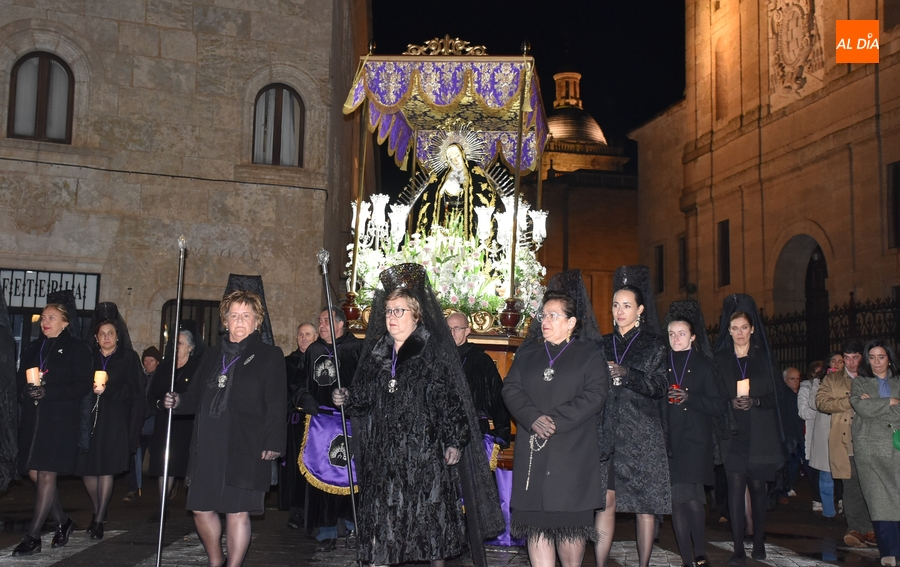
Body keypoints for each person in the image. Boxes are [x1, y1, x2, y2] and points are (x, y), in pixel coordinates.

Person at [332, 263, 503, 567]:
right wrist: (347, 397)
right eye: (388, 312)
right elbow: (367, 396)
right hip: (386, 455)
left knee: (430, 527)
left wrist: (453, 439)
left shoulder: (432, 352)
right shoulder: (378, 353)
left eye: (399, 311)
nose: (391, 318)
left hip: (426, 455)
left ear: (416, 314)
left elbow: (450, 399)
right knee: (387, 524)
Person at [164, 290, 286, 567]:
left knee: (237, 511)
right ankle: (216, 559)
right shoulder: (211, 355)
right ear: (225, 321)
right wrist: (178, 400)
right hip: (209, 442)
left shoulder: (269, 355)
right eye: (234, 315)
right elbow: (195, 395)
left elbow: (277, 401)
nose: (240, 321)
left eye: (246, 316)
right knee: (200, 507)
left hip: (247, 443)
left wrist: (274, 441)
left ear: (257, 322)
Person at [503, 276, 609, 567]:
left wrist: (554, 421)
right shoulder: (528, 355)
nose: (545, 320)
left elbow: (595, 395)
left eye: (553, 315)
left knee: (569, 539)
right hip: (533, 459)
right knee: (537, 533)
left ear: (571, 322)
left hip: (572, 458)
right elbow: (510, 389)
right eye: (543, 315)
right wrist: (533, 418)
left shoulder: (589, 356)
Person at [595, 265, 669, 567]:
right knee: (606, 501)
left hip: (642, 433)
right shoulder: (601, 343)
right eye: (615, 305)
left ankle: (644, 564)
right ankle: (599, 563)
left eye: (627, 305)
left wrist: (629, 374)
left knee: (644, 505)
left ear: (639, 310)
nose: (620, 311)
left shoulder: (653, 344)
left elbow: (659, 385)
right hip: (609, 431)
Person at [13, 292, 92, 556]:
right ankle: (63, 522)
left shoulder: (77, 348)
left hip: (60, 421)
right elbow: (21, 383)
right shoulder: (34, 348)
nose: (44, 322)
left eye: (51, 317)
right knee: (36, 474)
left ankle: (33, 536)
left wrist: (49, 392)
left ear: (66, 322)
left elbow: (82, 385)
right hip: (35, 422)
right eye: (43, 317)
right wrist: (27, 393)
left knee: (46, 473)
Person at [713, 294, 786, 566]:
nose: (740, 333)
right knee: (734, 490)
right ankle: (737, 548)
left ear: (752, 329)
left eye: (744, 327)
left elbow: (776, 397)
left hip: (760, 435)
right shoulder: (720, 359)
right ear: (728, 331)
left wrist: (754, 400)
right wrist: (728, 402)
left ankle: (758, 543)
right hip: (733, 435)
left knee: (757, 489)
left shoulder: (764, 359)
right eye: (735, 328)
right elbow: (715, 394)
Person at [664, 302, 726, 567]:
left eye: (681, 333)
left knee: (693, 500)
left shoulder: (703, 364)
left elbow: (718, 405)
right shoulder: (662, 363)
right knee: (677, 501)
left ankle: (699, 551)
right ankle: (687, 559)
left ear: (692, 337)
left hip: (696, 440)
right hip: (670, 440)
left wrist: (689, 397)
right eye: (671, 334)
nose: (676, 338)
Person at [76, 303, 142, 538]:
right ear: (96, 337)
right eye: (102, 334)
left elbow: (135, 392)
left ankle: (99, 518)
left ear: (117, 336)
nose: (106, 337)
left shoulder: (127, 358)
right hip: (89, 420)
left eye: (110, 333)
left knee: (105, 469)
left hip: (114, 421)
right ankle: (98, 509)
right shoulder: (88, 357)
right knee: (86, 470)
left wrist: (109, 391)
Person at [300, 307, 363, 551]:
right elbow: (299, 381)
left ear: (340, 324)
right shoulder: (314, 350)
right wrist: (307, 399)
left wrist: (350, 396)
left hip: (348, 422)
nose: (321, 325)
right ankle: (324, 528)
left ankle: (348, 524)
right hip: (320, 422)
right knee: (320, 473)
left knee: (347, 474)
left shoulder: (356, 349)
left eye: (326, 321)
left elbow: (366, 384)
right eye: (320, 321)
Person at [817, 339, 877, 548]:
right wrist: (849, 401)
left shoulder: (872, 378)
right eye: (847, 358)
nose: (851, 363)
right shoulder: (833, 379)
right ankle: (855, 528)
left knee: (869, 486)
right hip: (845, 441)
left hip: (869, 440)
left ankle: (870, 528)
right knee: (851, 486)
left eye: (855, 358)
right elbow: (821, 402)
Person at [849, 340, 900, 566]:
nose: (877, 362)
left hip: (896, 448)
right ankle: (888, 550)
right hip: (869, 451)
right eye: (872, 357)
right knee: (880, 502)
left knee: (897, 500)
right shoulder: (860, 383)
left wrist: (876, 405)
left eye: (881, 356)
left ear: (890, 358)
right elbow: (861, 408)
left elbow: (870, 409)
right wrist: (890, 402)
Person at [148, 325, 202, 520]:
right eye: (174, 343)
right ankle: (163, 505)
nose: (176, 346)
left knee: (187, 464)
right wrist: (160, 403)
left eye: (180, 343)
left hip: (187, 424)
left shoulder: (197, 368)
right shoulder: (165, 367)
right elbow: (152, 394)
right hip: (165, 422)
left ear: (191, 347)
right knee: (165, 463)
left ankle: (195, 503)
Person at [447, 312, 511, 446]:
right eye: (448, 329)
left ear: (467, 331)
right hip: (444, 429)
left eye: (457, 328)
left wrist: (501, 433)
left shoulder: (480, 360)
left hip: (473, 432)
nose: (452, 333)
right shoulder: (439, 359)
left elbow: (497, 395)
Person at [416, 141, 498, 240]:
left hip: (467, 221)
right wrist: (442, 190)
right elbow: (430, 197)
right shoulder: (442, 176)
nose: (455, 160)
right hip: (446, 221)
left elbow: (485, 195)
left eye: (457, 156)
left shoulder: (475, 173)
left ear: (463, 154)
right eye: (451, 158)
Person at [281, 322, 317, 528]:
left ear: (315, 338)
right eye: (300, 334)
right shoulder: (287, 363)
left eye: (307, 334)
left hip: (317, 424)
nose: (303, 338)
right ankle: (296, 511)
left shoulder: (321, 361)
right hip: (295, 424)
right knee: (295, 469)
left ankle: (313, 511)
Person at [799, 361, 838, 520]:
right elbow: (807, 410)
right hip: (818, 433)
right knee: (822, 471)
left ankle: (839, 501)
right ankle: (823, 504)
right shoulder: (809, 387)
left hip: (837, 432)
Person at [124, 346, 162, 502]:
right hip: (140, 426)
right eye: (145, 361)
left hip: (154, 427)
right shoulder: (139, 378)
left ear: (157, 362)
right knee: (134, 459)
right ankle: (133, 488)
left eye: (151, 361)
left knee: (159, 459)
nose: (148, 363)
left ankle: (166, 487)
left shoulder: (160, 379)